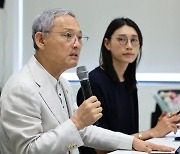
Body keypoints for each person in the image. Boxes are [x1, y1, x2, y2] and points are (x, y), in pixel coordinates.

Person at [0, 9, 175, 154]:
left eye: (79, 37)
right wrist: (76, 122)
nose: (76, 44)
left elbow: (84, 131)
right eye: (68, 36)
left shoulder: (62, 82)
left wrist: (132, 142)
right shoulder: (22, 87)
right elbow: (28, 150)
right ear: (41, 40)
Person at [77, 17, 180, 154]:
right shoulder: (94, 83)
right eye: (122, 39)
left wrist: (158, 129)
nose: (129, 46)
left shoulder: (128, 81)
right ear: (107, 44)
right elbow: (98, 147)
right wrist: (152, 132)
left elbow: (128, 135)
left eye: (134, 40)